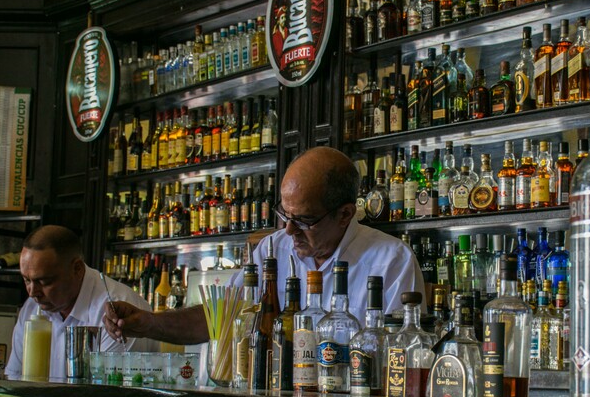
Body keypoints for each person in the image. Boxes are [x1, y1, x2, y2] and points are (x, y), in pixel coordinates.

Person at [103, 147, 425, 344]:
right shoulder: (273, 249)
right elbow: (222, 318)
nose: (288, 229)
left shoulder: (391, 261)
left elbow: (403, 355)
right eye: (284, 214)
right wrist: (148, 323)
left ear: (344, 215)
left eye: (304, 221)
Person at [5, 225, 157, 378]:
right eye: (26, 280)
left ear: (77, 269)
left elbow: (112, 394)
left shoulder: (119, 308)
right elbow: (14, 377)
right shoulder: (32, 307)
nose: (32, 292)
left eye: (44, 281)